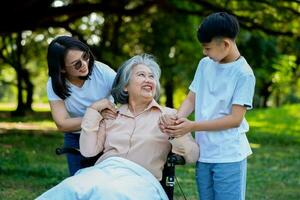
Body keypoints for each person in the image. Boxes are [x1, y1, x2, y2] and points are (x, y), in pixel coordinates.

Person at [36, 54, 199, 200]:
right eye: (141, 75)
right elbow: (88, 151)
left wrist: (174, 132)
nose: (149, 80)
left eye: (152, 77)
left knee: (110, 193)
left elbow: (192, 155)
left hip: (141, 180)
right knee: (69, 188)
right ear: (125, 86)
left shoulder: (169, 115)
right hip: (103, 173)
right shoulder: (110, 115)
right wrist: (93, 110)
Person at [160, 12, 256, 200]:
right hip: (204, 154)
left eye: (208, 48)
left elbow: (235, 119)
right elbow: (191, 99)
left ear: (225, 44)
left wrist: (192, 125)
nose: (205, 52)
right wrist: (179, 118)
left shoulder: (244, 74)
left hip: (229, 156)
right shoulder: (205, 65)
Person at [46, 35, 116, 176]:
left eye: (85, 56)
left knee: (107, 181)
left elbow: (128, 95)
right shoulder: (54, 85)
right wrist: (96, 115)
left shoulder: (101, 71)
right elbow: (62, 124)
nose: (84, 64)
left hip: (107, 133)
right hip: (76, 138)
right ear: (62, 69)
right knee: (79, 183)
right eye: (76, 64)